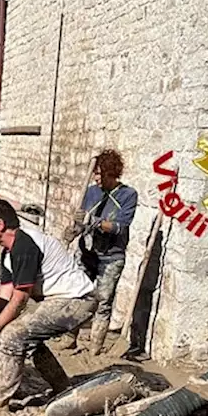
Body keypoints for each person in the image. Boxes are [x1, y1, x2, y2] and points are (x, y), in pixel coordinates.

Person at [0, 199, 97, 416]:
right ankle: (63, 388)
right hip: (60, 299)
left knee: (13, 335)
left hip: (76, 300)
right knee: (27, 339)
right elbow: (5, 295)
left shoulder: (24, 246)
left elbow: (19, 300)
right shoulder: (8, 253)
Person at [64, 149, 138, 355]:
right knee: (77, 295)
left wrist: (92, 221)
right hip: (87, 252)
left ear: (112, 173)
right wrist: (74, 229)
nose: (96, 179)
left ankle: (95, 345)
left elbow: (119, 227)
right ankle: (70, 337)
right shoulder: (91, 192)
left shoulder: (127, 195)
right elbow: (82, 224)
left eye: (100, 174)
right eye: (95, 173)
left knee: (103, 301)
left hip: (111, 256)